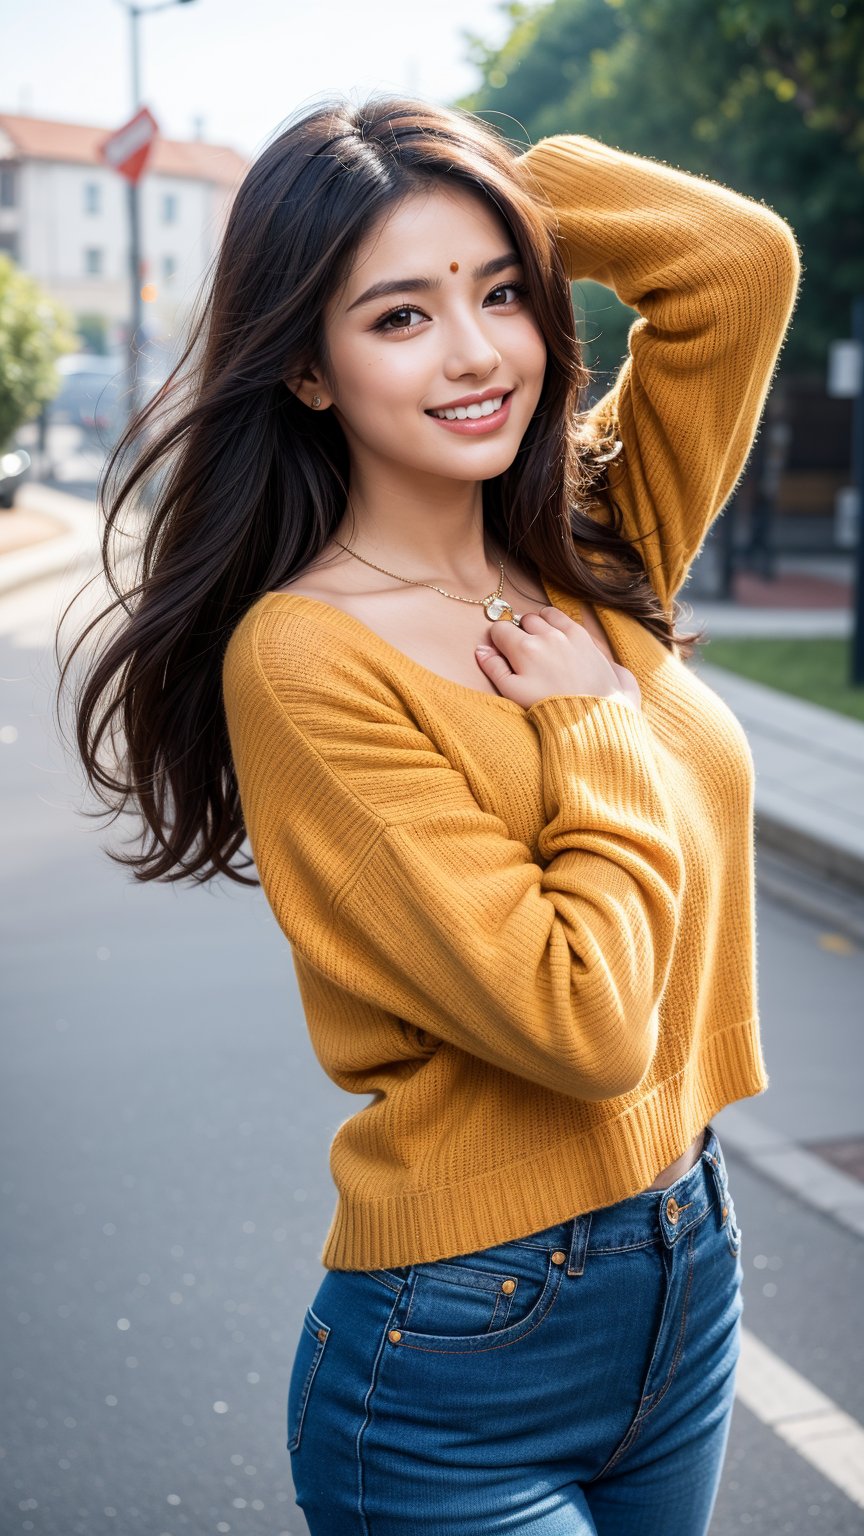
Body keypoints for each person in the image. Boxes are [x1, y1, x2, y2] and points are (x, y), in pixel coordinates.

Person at [60, 95, 801, 1534]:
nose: (475, 355)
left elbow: (736, 264)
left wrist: (480, 191)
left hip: (689, 1264)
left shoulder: (582, 533)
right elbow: (583, 1027)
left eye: (503, 294)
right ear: (310, 367)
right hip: (463, 1360)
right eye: (398, 317)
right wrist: (589, 723)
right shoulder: (302, 660)